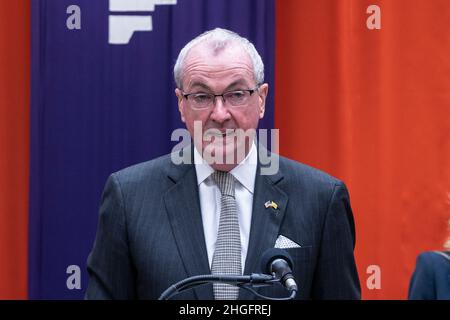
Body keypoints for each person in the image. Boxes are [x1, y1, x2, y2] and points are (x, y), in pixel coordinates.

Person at [85, 28, 361, 300]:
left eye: (237, 94)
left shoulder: (320, 199)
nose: (219, 114)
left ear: (261, 100)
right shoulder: (130, 197)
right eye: (202, 97)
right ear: (181, 104)